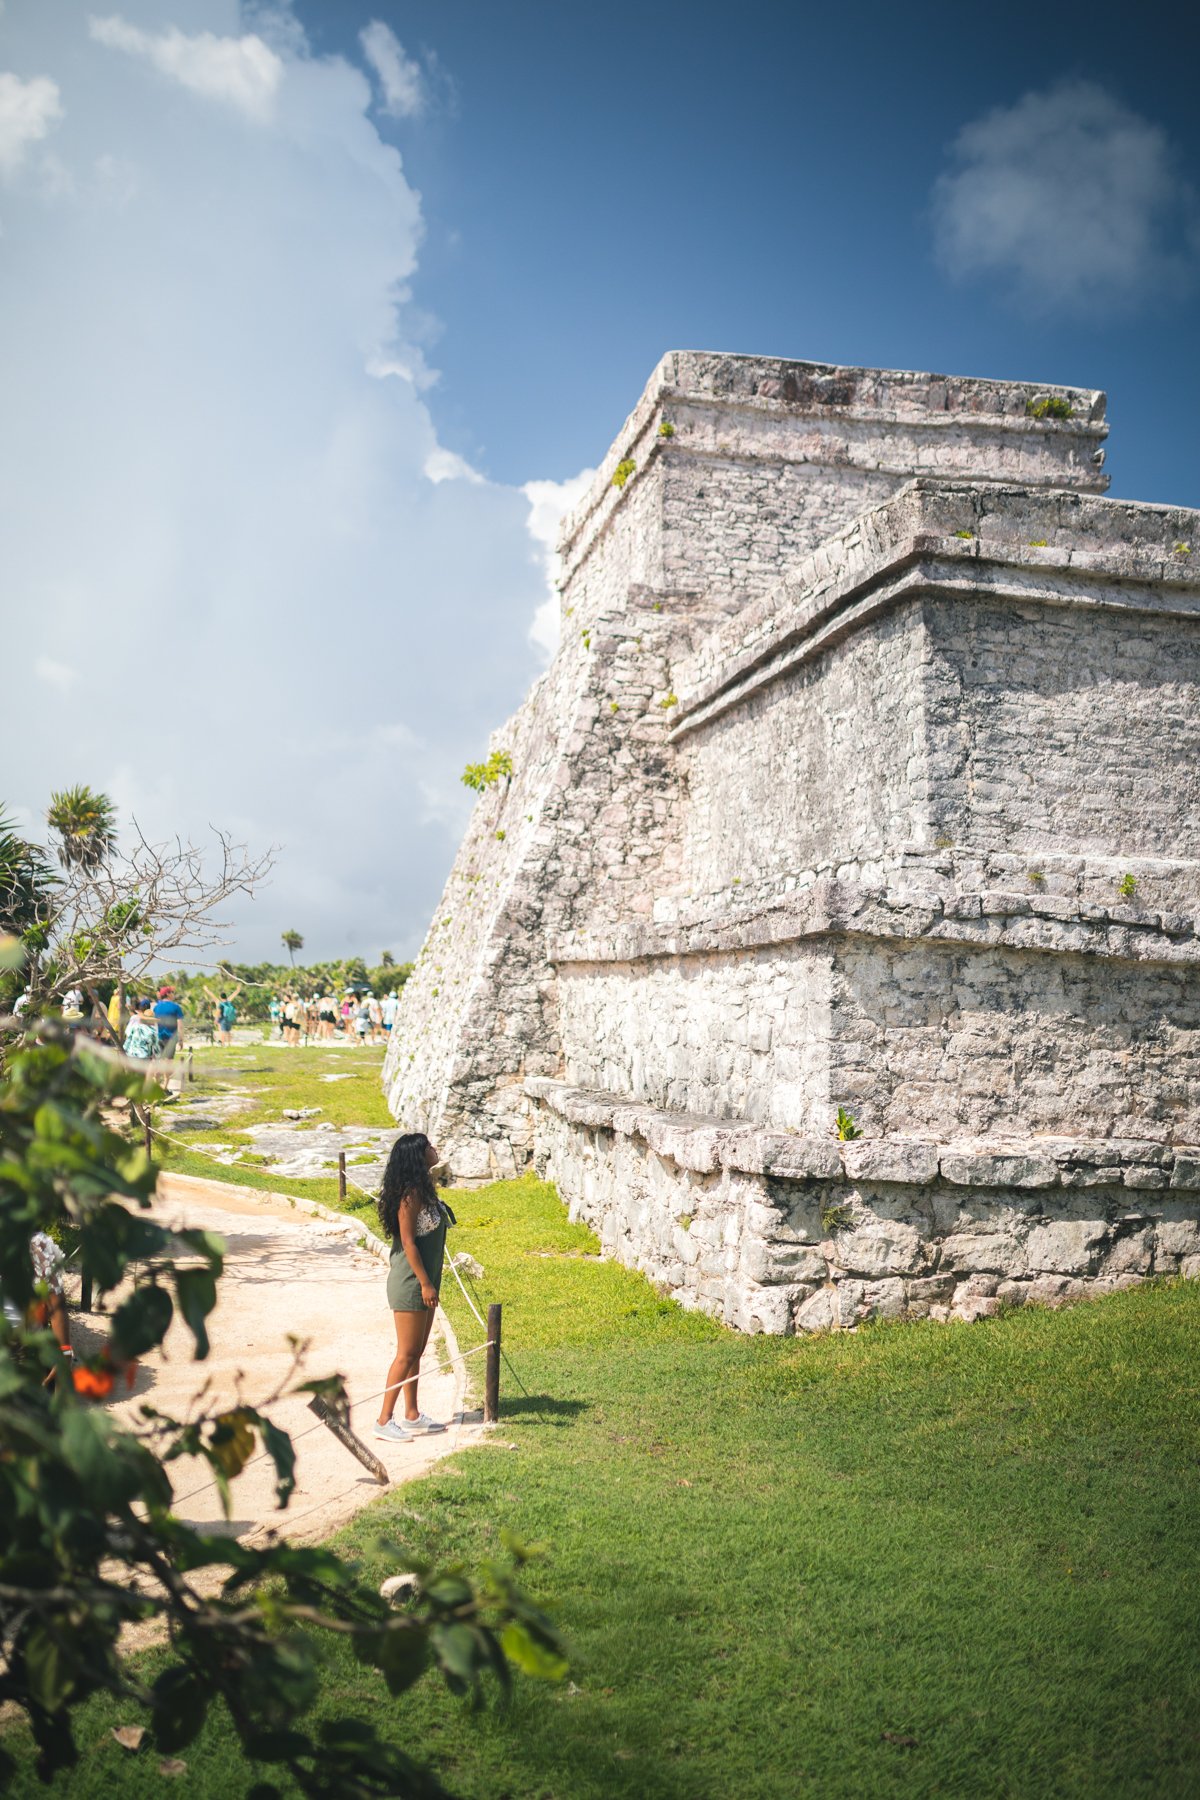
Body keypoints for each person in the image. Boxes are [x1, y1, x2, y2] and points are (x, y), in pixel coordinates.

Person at [374, 1133, 452, 1441]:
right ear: (418, 1157)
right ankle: (383, 1419)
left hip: (426, 1280)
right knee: (405, 1354)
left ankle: (412, 1414)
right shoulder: (409, 1195)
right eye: (429, 1147)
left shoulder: (424, 1188)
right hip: (411, 1281)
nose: (435, 1149)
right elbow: (407, 1242)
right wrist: (424, 1283)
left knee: (417, 1351)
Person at [152, 986, 185, 1063]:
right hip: (171, 1038)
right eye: (172, 992)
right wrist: (181, 1040)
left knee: (160, 1060)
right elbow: (180, 1025)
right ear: (168, 994)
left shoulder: (156, 1007)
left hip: (159, 1037)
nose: (174, 994)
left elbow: (154, 1023)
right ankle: (165, 1075)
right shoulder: (176, 1007)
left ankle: (157, 1075)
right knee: (168, 1062)